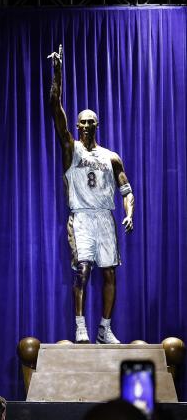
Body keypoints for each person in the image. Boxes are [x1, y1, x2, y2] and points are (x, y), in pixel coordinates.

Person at [49, 44, 135, 344]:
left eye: (90, 122)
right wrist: (57, 73)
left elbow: (127, 189)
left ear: (97, 125)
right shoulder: (70, 149)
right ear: (76, 125)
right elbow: (54, 106)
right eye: (81, 121)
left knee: (110, 273)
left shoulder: (111, 156)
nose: (85, 125)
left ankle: (104, 328)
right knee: (82, 270)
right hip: (82, 218)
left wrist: (129, 213)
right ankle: (80, 326)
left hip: (105, 218)